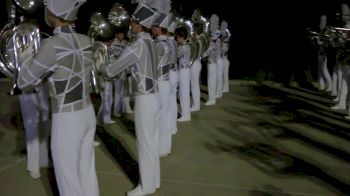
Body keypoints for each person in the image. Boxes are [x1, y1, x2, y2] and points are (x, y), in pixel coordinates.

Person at [17, 0, 100, 195]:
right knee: (87, 172)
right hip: (87, 113)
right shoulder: (85, 40)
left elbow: (24, 82)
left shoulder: (52, 45)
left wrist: (26, 56)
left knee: (68, 180)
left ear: (55, 13)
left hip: (67, 118)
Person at [103, 2, 161, 195]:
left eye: (133, 22)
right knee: (151, 142)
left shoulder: (137, 46)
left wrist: (99, 62)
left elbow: (112, 70)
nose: (131, 25)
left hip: (144, 98)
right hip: (155, 95)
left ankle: (145, 186)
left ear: (138, 25)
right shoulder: (152, 43)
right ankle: (154, 181)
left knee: (144, 144)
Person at [151, 4, 172, 156]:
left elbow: (153, 66)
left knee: (161, 115)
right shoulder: (169, 42)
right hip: (167, 80)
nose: (151, 29)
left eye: (154, 26)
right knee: (165, 114)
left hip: (160, 82)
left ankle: (162, 148)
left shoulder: (159, 44)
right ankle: (164, 146)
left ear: (159, 28)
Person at [19, 84, 51, 179]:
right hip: (26, 89)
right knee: (31, 130)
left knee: (45, 124)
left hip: (43, 86)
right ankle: (33, 166)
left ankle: (43, 160)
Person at [202, 14, 220, 106]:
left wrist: (202, 55)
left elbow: (209, 49)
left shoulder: (214, 38)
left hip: (212, 63)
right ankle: (212, 98)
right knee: (212, 81)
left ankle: (211, 99)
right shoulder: (215, 36)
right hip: (213, 62)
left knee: (211, 81)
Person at [175, 26, 192, 122]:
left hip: (184, 71)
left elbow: (175, 54)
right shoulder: (185, 46)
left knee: (183, 93)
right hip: (183, 70)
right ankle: (185, 113)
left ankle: (185, 115)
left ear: (181, 37)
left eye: (177, 37)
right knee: (183, 93)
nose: (176, 39)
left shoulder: (185, 47)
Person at [166, 14, 178, 134]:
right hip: (175, 72)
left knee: (169, 101)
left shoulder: (168, 42)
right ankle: (173, 126)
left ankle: (170, 127)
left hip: (169, 72)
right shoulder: (174, 41)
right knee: (173, 100)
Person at [221, 20, 231, 93]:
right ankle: (224, 87)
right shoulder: (225, 43)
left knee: (225, 75)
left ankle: (226, 88)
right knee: (223, 75)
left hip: (225, 61)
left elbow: (224, 52)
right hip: (224, 60)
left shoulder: (226, 44)